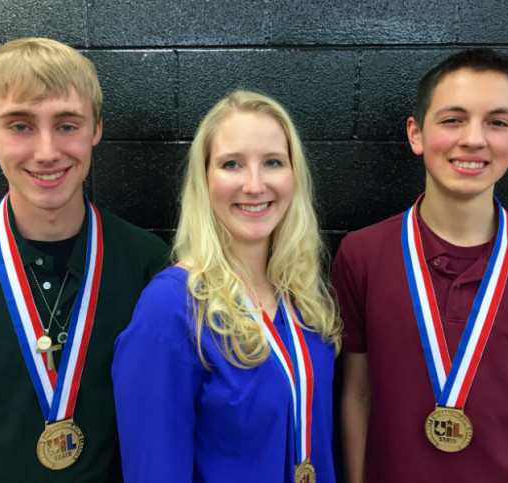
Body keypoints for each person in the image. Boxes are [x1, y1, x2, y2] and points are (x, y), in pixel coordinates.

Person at [0, 38, 168, 482]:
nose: (48, 151)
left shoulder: (151, 264)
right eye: (20, 126)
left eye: (67, 125)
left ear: (96, 128)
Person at [331, 48, 508, 482]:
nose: (474, 139)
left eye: (497, 122)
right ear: (416, 134)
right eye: (453, 119)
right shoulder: (361, 255)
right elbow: (356, 396)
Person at [112, 90, 342, 482]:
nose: (254, 185)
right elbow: (155, 470)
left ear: (293, 176)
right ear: (204, 179)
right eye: (232, 164)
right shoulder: (170, 308)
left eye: (272, 162)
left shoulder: (302, 295)